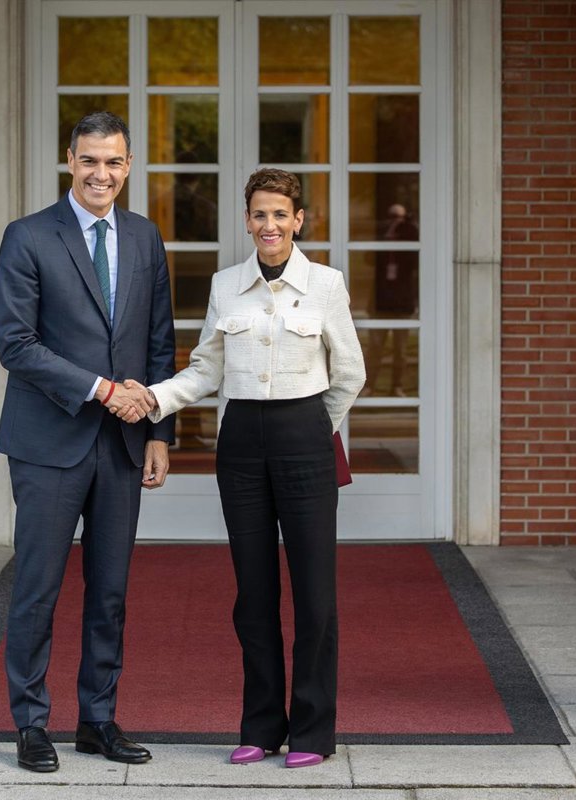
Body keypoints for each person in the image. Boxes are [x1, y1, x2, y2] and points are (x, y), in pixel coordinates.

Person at [133, 167, 364, 768]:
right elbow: (207, 369)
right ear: (247, 220)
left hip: (305, 438)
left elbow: (349, 373)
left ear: (298, 220)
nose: (270, 225)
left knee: (314, 594)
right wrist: (154, 398)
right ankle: (261, 726)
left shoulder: (326, 284)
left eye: (280, 214)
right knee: (253, 594)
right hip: (239, 446)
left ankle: (312, 732)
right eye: (260, 214)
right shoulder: (225, 285)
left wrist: (312, 427)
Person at [0, 111, 177, 773]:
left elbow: (159, 338)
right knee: (37, 588)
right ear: (70, 161)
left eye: (114, 161)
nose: (102, 173)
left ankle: (97, 720)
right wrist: (102, 390)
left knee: (110, 592)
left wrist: (159, 431)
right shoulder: (27, 236)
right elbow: (16, 345)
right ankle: (30, 724)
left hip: (123, 444)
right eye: (90, 160)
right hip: (49, 442)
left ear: (129, 166)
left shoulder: (145, 236)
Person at [371, 203, 418, 396]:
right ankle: (369, 386)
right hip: (381, 300)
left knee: (401, 349)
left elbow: (413, 261)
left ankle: (397, 386)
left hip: (402, 301)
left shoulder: (409, 235)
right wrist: (387, 234)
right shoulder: (381, 236)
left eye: (399, 218)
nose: (395, 221)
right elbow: (368, 258)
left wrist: (401, 231)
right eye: (392, 217)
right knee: (375, 347)